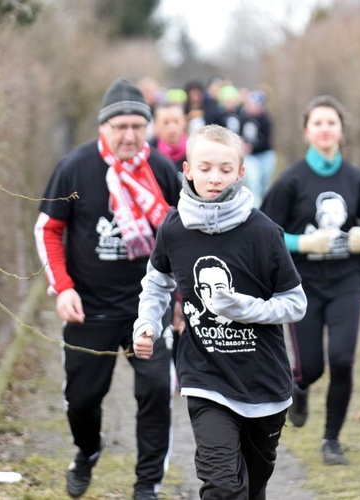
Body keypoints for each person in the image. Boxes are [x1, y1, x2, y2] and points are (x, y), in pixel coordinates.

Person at [131, 124, 307, 499]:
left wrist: (241, 307)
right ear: (188, 170)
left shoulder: (264, 233)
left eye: (226, 169)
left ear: (241, 173)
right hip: (205, 377)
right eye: (205, 167)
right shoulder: (174, 229)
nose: (215, 178)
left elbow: (296, 303)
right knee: (224, 488)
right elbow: (157, 282)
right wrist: (146, 322)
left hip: (264, 383)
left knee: (251, 489)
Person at [34, 78, 181, 500]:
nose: (130, 135)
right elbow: (49, 228)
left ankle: (146, 485)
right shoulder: (76, 168)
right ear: (104, 128)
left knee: (155, 391)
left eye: (138, 126)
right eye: (120, 126)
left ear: (148, 128)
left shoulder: (164, 172)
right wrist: (62, 288)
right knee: (82, 399)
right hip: (90, 309)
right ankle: (86, 451)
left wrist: (179, 300)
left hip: (147, 311)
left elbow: (183, 239)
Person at [260, 95, 360, 466]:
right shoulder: (290, 181)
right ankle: (299, 388)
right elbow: (267, 232)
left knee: (343, 359)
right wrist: (301, 242)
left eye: (331, 122)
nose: (325, 129)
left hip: (347, 279)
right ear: (306, 131)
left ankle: (331, 440)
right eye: (317, 123)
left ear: (341, 130)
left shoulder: (358, 179)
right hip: (302, 285)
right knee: (312, 366)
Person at [240, 90, 276, 208]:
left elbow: (266, 141)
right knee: (255, 180)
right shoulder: (243, 118)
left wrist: (252, 146)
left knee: (265, 184)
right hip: (250, 157)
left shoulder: (266, 120)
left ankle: (266, 206)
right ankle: (257, 207)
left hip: (264, 154)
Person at [150, 101, 188, 173]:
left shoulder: (195, 152)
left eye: (176, 121)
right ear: (156, 125)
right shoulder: (149, 154)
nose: (172, 128)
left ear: (184, 122)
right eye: (165, 123)